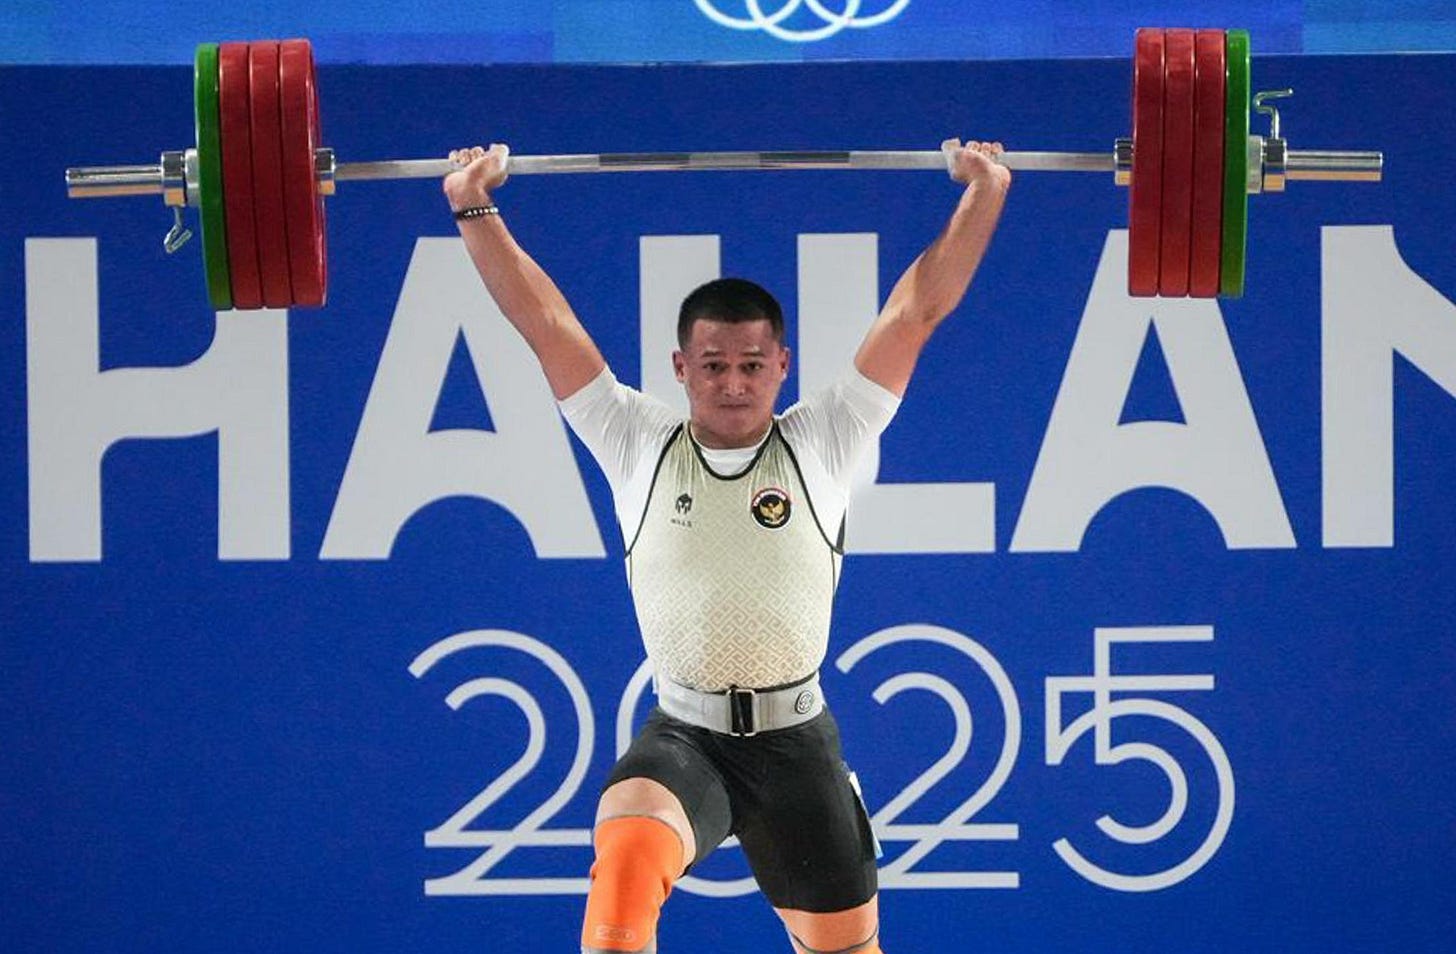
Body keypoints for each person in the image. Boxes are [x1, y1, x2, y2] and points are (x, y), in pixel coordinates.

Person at [443, 138, 1010, 954]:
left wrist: (985, 189)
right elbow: (544, 323)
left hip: (797, 748)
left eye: (752, 364)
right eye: (714, 365)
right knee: (623, 887)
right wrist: (472, 202)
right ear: (681, 366)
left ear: (783, 364)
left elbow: (917, 311)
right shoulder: (635, 439)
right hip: (686, 740)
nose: (734, 383)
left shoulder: (826, 440)